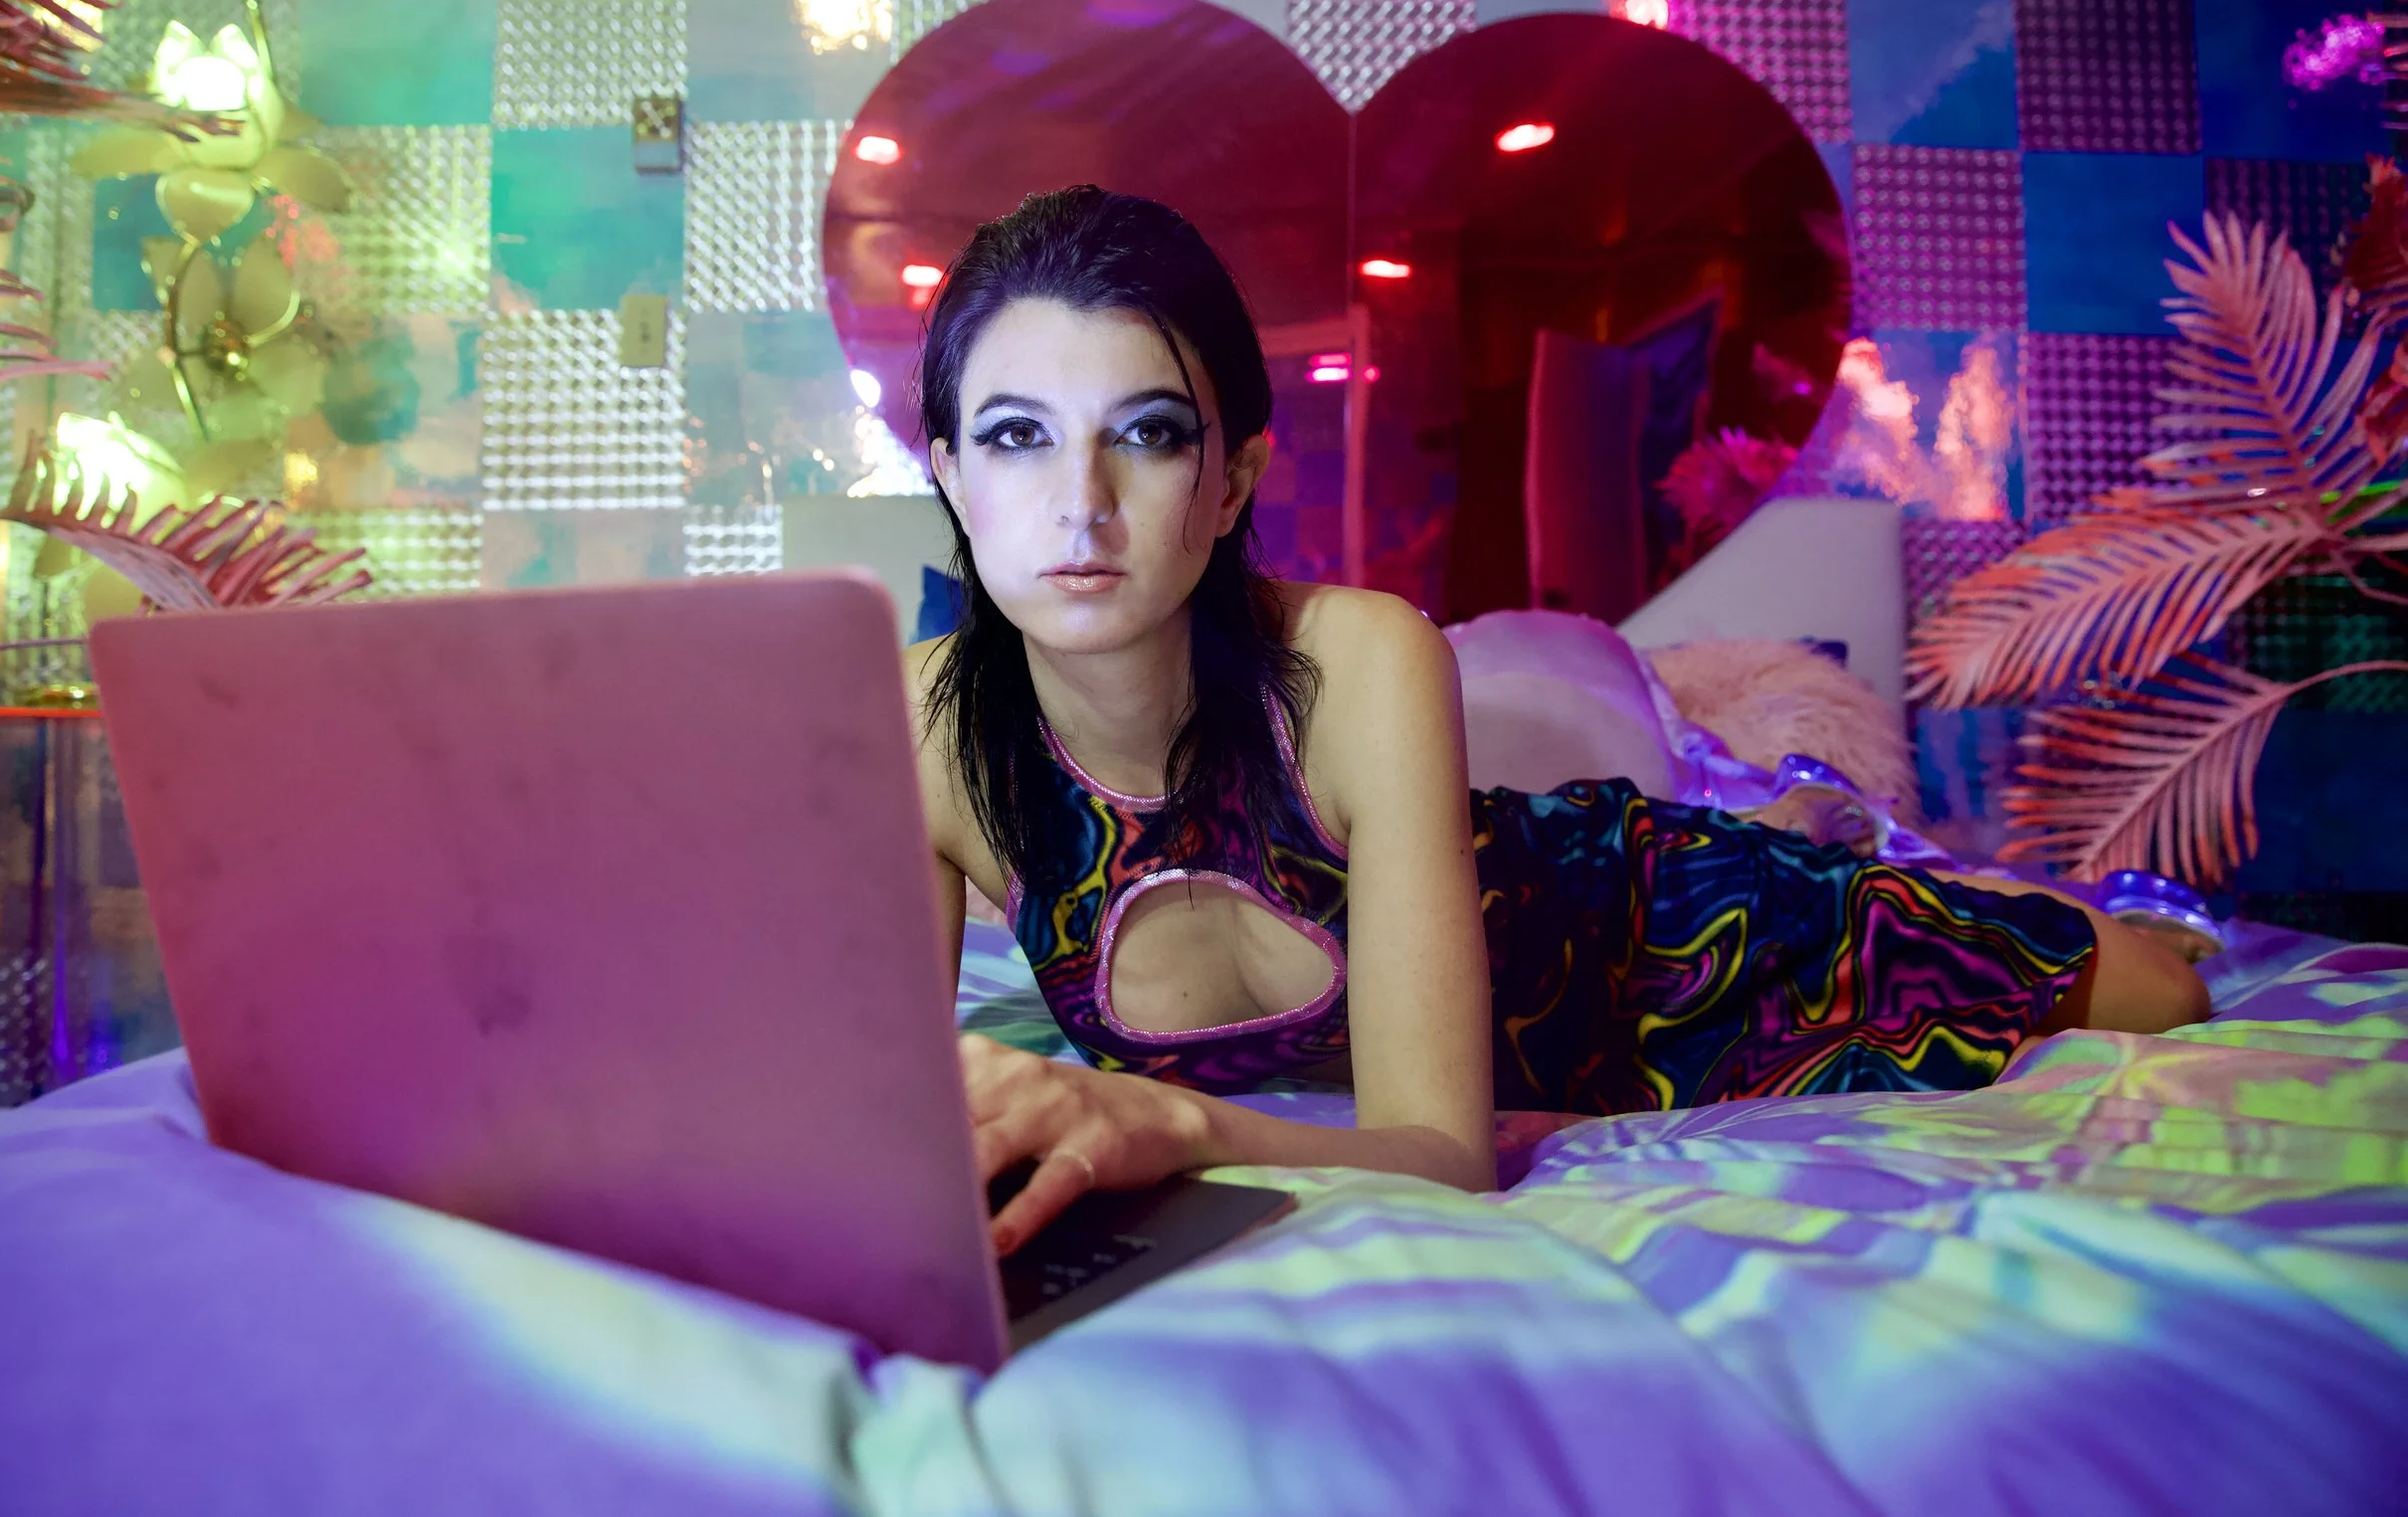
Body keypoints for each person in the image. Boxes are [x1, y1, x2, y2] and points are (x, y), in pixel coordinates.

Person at [902, 186, 2210, 1257]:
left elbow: (1440, 1155)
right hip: (1544, 1064)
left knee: (2161, 991)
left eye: (1147, 432)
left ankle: (1824, 846)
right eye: (1017, 436)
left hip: (1654, 936)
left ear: (1234, 475)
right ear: (952, 473)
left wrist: (1169, 1126)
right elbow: (871, 1120)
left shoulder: (1357, 660)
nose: (1082, 501)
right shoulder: (918, 729)